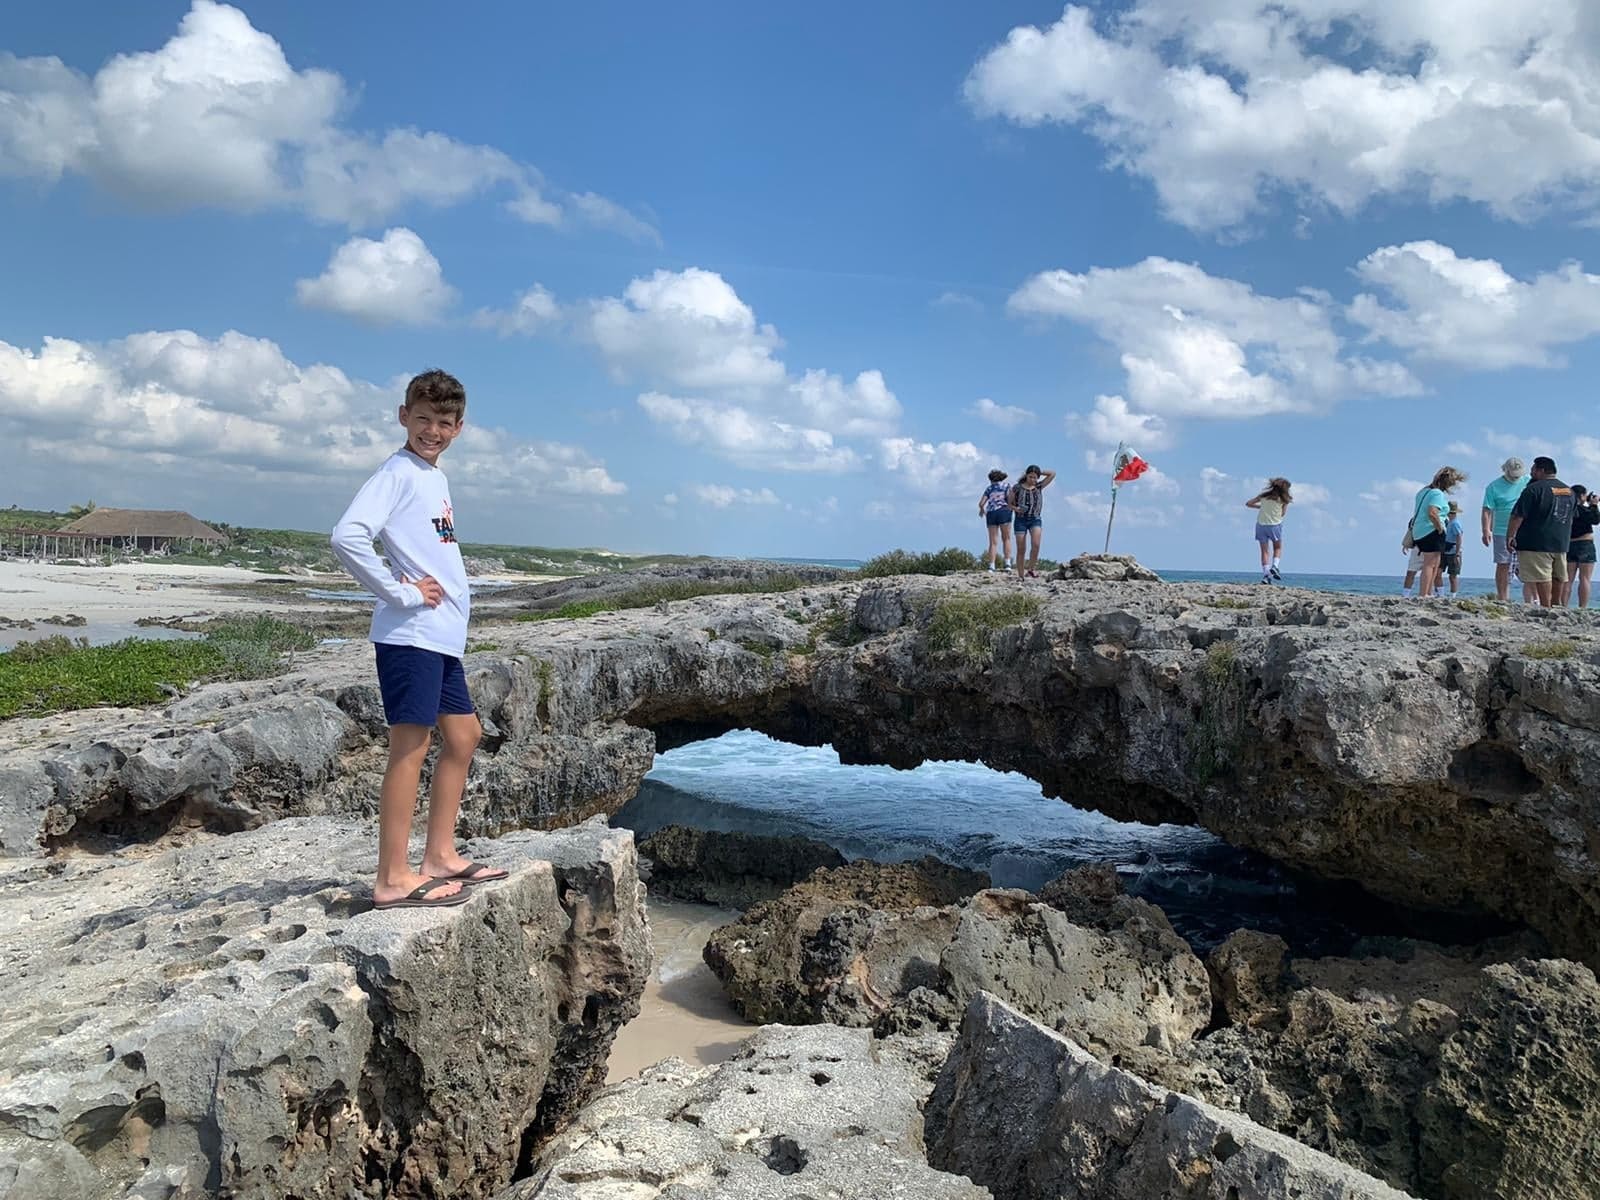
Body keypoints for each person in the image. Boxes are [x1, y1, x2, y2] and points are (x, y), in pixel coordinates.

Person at [330, 369, 508, 909]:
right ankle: (391, 878)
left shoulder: (434, 478)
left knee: (464, 736)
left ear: (458, 428)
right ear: (404, 416)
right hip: (411, 635)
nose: (432, 429)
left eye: (444, 422)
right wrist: (400, 593)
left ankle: (439, 856)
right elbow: (347, 536)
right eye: (423, 418)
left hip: (441, 638)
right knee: (411, 745)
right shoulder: (398, 472)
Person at [1506, 456, 1576, 609]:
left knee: (1542, 577)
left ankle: (1546, 607)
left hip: (1536, 542)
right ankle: (1556, 605)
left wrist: (1510, 536)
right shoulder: (1569, 491)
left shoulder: (1533, 489)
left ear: (1541, 470)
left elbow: (1517, 516)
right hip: (1560, 542)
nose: (1531, 473)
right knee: (1558, 576)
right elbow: (1571, 517)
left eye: (1533, 469)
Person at [1407, 466, 1466, 598]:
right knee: (1430, 563)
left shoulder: (1423, 491)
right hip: (1430, 531)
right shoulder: (1437, 494)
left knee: (1435, 563)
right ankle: (1424, 593)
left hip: (1419, 531)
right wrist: (1440, 528)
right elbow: (1432, 512)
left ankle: (1428, 592)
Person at [1480, 457, 1528, 602]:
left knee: (1528, 565)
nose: (1515, 477)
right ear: (1505, 470)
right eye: (1513, 474)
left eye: (1517, 475)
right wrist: (1485, 530)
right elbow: (1486, 510)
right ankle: (1503, 598)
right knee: (1503, 564)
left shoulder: (1528, 481)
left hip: (1525, 530)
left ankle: (1532, 600)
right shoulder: (1493, 486)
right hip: (1501, 530)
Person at [1007, 464, 1056, 579]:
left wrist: (1039, 471)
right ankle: (1020, 575)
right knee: (1021, 548)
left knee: (1036, 544)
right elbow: (1009, 504)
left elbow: (1052, 474)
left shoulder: (1039, 486)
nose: (1033, 480)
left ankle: (1031, 569)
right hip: (1020, 519)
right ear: (1026, 476)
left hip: (1035, 518)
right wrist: (1016, 508)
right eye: (1031, 477)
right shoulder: (1017, 488)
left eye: (1035, 477)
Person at [1243, 477, 1291, 584]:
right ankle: (1275, 566)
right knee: (1277, 547)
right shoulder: (1284, 499)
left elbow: (1248, 503)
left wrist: (1259, 507)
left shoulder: (1264, 496)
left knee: (1264, 551)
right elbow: (1282, 514)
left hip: (1261, 525)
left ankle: (1266, 575)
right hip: (1275, 525)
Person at [1559, 484, 1597, 609]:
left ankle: (1563, 605)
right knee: (1585, 578)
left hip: (1570, 544)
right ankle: (1583, 607)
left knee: (1568, 579)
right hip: (1585, 544)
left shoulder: (1567, 510)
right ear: (1581, 496)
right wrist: (1594, 505)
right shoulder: (1583, 509)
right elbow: (1595, 519)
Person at [978, 469, 1013, 572]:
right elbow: (1010, 499)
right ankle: (1007, 563)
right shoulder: (1006, 486)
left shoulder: (989, 488)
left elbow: (981, 503)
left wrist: (981, 510)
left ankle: (992, 566)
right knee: (1006, 538)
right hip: (1004, 511)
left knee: (993, 542)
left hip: (991, 513)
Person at [1441, 500, 1464, 596]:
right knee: (1440, 572)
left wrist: (1457, 553)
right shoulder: (1449, 522)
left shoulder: (1455, 523)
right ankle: (1441, 593)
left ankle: (1453, 595)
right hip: (1446, 550)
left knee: (1452, 575)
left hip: (1453, 551)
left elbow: (1459, 536)